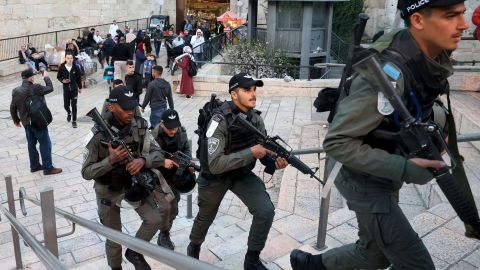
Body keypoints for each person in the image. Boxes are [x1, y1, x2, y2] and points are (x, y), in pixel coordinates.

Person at [290, 1, 470, 269]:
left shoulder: (426, 58)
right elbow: (336, 142)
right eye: (450, 16)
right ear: (418, 21)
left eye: (462, 14)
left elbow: (417, 105)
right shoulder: (386, 75)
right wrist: (404, 168)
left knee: (375, 255)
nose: (464, 24)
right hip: (359, 177)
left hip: (382, 169)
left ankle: (310, 265)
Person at [187, 73, 288, 270]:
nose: (253, 94)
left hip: (240, 175)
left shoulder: (255, 119)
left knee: (265, 210)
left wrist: (274, 162)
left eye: (254, 89)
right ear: (234, 94)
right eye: (247, 90)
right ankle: (194, 247)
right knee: (206, 216)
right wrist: (251, 152)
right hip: (214, 177)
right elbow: (215, 164)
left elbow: (263, 151)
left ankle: (252, 260)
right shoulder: (218, 120)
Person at [82, 86, 173, 270]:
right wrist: (110, 160)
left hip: (132, 185)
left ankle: (134, 251)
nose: (131, 112)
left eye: (133, 108)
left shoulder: (139, 126)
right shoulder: (97, 134)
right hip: (108, 189)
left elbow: (158, 153)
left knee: (154, 218)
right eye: (126, 109)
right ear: (112, 107)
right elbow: (86, 172)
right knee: (114, 237)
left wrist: (142, 160)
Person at [151, 109, 194, 250]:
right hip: (157, 176)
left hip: (174, 177)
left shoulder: (181, 132)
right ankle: (163, 233)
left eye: (175, 127)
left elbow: (187, 149)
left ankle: (165, 231)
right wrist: (162, 161)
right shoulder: (153, 136)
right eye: (169, 128)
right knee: (165, 207)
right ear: (162, 124)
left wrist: (186, 163)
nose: (173, 131)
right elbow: (145, 157)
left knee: (174, 208)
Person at [10, 69, 62, 175]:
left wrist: (16, 121)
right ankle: (48, 168)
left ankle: (34, 166)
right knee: (45, 143)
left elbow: (12, 107)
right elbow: (50, 88)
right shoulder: (36, 87)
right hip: (38, 121)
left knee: (31, 144)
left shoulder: (15, 91)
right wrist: (46, 77)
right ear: (31, 77)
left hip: (26, 123)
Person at [57, 53, 82, 128]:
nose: (70, 60)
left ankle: (74, 121)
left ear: (73, 59)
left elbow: (78, 78)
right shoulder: (62, 67)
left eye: (71, 58)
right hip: (66, 89)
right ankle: (69, 113)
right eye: (68, 58)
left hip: (74, 89)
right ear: (65, 59)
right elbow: (58, 77)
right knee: (66, 105)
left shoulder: (76, 67)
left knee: (74, 105)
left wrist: (80, 88)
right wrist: (63, 80)